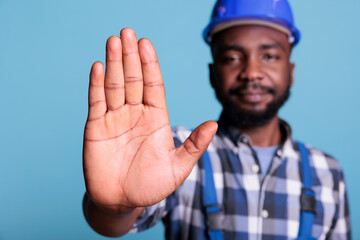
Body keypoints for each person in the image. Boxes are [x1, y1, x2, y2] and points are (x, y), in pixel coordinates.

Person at [82, 0, 351, 239]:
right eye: (232, 57)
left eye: (269, 56)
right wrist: (117, 208)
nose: (251, 73)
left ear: (290, 71)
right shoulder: (175, 152)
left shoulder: (327, 173)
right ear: (213, 74)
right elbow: (113, 224)